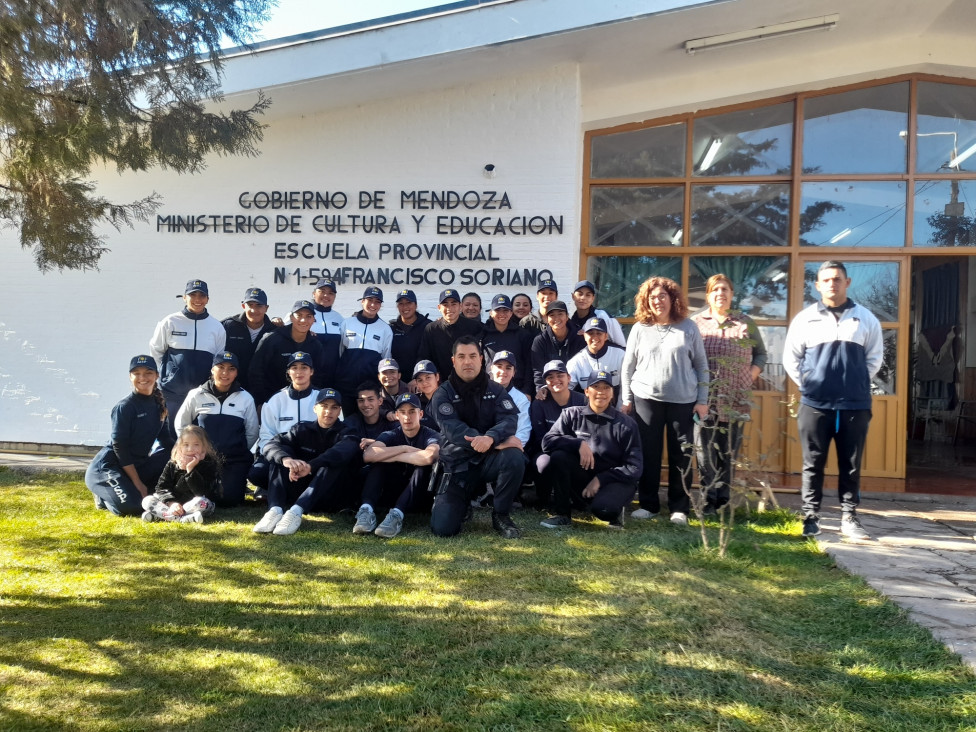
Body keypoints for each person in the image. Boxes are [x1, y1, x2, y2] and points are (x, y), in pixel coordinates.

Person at [784, 261, 882, 540]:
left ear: (847, 282)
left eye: (837, 279)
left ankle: (849, 517)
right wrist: (811, 383)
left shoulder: (865, 318)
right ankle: (811, 517)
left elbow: (874, 359)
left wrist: (855, 383)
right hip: (815, 404)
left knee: (851, 463)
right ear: (817, 285)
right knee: (812, 463)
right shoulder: (805, 318)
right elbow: (791, 358)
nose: (832, 284)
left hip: (855, 405)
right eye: (826, 280)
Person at [621, 277, 709, 526]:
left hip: (683, 401)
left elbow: (702, 366)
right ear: (646, 302)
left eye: (662, 296)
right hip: (646, 399)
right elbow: (628, 367)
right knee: (649, 454)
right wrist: (626, 399)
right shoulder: (640, 328)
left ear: (672, 299)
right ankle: (648, 504)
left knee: (681, 454)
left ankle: (679, 508)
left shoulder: (688, 327)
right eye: (652, 297)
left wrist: (702, 400)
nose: (657, 301)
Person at [429, 336, 524, 538]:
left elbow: (509, 419)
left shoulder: (496, 389)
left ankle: (501, 515)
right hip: (457, 466)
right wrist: (493, 442)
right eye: (461, 356)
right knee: (443, 529)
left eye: (473, 356)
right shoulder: (442, 394)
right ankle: (463, 506)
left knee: (514, 456)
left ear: (481, 359)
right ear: (453, 361)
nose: (467, 361)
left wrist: (491, 438)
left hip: (487, 462)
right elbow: (453, 430)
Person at [693, 274, 767, 515]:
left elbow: (761, 355)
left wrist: (750, 375)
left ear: (732, 295)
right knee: (705, 451)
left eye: (725, 289)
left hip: (735, 399)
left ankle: (723, 500)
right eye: (715, 289)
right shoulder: (696, 323)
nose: (720, 293)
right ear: (708, 295)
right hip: (705, 398)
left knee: (728, 451)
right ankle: (708, 500)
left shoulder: (746, 322)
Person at [540, 370, 643, 530]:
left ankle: (610, 510)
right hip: (583, 477)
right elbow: (547, 442)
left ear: (612, 393)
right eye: (596, 387)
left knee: (603, 510)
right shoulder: (571, 414)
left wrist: (601, 479)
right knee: (559, 456)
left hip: (614, 480)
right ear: (587, 392)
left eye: (606, 388)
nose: (601, 392)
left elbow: (634, 467)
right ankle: (562, 515)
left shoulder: (627, 424)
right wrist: (578, 444)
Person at [253, 388, 360, 536]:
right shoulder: (301, 429)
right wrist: (287, 460)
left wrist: (311, 466)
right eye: (324, 406)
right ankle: (275, 509)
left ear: (339, 411)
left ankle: (296, 512)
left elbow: (342, 451)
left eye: (334, 407)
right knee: (281, 454)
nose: (328, 411)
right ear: (315, 408)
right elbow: (271, 445)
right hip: (301, 486)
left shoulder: (349, 432)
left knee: (332, 461)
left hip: (331, 494)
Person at [85, 355, 173, 516]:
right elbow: (120, 448)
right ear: (130, 377)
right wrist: (138, 483)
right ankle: (102, 496)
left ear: (156, 375)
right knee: (133, 507)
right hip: (109, 467)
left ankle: (130, 487)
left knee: (172, 454)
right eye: (136, 373)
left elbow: (166, 440)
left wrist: (186, 455)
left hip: (138, 464)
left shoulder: (159, 403)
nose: (142, 378)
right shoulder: (125, 407)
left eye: (148, 372)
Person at [175, 351, 259, 506]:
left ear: (236, 373)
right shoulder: (196, 395)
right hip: (202, 459)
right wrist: (189, 449)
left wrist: (237, 449)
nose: (225, 373)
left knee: (229, 501)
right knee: (194, 496)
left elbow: (252, 431)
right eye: (220, 367)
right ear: (212, 370)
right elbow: (181, 424)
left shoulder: (245, 398)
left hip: (233, 460)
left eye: (231, 369)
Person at [353, 393, 441, 538]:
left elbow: (429, 457)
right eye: (403, 412)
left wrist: (392, 455)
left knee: (421, 467)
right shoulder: (390, 434)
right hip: (394, 490)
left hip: (419, 493)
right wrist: (404, 449)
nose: (407, 417)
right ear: (397, 415)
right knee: (379, 463)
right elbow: (369, 455)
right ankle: (366, 510)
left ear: (420, 414)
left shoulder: (431, 435)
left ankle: (396, 515)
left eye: (412, 412)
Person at [149, 278, 226, 439]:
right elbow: (156, 350)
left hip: (202, 393)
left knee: (199, 437)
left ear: (207, 299)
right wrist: (165, 376)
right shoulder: (170, 322)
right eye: (193, 295)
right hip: (172, 392)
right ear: (184, 297)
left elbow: (218, 361)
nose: (197, 300)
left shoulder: (216, 327)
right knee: (170, 435)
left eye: (201, 296)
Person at [248, 351, 319, 495]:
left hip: (313, 454)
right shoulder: (275, 400)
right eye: (294, 368)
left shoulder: (322, 398)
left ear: (311, 371)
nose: (299, 372)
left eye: (304, 367)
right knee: (257, 473)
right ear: (288, 372)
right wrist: (279, 456)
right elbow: (266, 436)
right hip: (282, 454)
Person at [527, 360, 586, 509]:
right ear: (545, 382)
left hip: (577, 451)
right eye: (550, 377)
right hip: (547, 450)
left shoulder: (582, 400)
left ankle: (578, 497)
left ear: (569, 377)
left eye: (560, 375)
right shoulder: (539, 403)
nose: (555, 380)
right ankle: (543, 499)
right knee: (544, 462)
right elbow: (541, 439)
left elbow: (587, 434)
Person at [249, 299, 327, 408]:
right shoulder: (272, 339)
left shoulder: (315, 344)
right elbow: (256, 371)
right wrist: (261, 402)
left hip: (305, 403)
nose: (303, 320)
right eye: (299, 315)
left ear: (314, 319)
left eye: (308, 316)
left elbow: (319, 376)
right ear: (291, 318)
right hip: (272, 402)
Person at [142, 425, 219, 524]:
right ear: (180, 447)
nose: (190, 449)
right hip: (173, 504)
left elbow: (201, 492)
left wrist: (190, 470)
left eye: (196, 444)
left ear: (203, 448)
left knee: (201, 502)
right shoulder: (172, 463)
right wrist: (172, 503)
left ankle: (164, 516)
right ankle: (184, 518)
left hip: (193, 505)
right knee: (147, 501)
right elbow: (162, 487)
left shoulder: (209, 464)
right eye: (186, 444)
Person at [336, 286, 393, 412]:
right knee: (349, 422)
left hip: (370, 387)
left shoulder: (385, 329)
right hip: (346, 386)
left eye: (377, 302)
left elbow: (385, 358)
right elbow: (340, 352)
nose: (373, 304)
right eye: (369, 300)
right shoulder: (347, 323)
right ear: (362, 301)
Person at [416, 288, 482, 379]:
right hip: (440, 383)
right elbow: (424, 356)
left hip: (468, 381)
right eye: (445, 305)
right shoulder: (431, 329)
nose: (449, 308)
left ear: (460, 306)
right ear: (439, 308)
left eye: (453, 304)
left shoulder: (473, 327)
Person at [222, 287, 278, 393]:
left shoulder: (275, 331)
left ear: (266, 308)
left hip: (264, 393)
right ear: (243, 306)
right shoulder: (228, 326)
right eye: (250, 305)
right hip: (231, 392)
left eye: (259, 305)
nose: (254, 310)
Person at [480, 294, 533, 396]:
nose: (502, 314)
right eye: (498, 310)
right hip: (489, 390)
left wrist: (527, 390)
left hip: (518, 390)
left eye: (505, 310)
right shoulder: (483, 335)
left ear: (511, 313)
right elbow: (480, 365)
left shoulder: (523, 335)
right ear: (491, 313)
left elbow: (529, 365)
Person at [566, 316, 626, 403]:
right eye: (590, 333)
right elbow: (566, 387)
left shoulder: (620, 355)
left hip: (617, 407)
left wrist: (621, 407)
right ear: (584, 336)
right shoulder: (575, 362)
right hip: (587, 409)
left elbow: (626, 384)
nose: (595, 337)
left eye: (599, 333)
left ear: (606, 336)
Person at [530, 300, 585, 393]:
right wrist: (542, 388)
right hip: (550, 388)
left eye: (560, 314)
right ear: (546, 319)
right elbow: (538, 370)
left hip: (576, 390)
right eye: (552, 315)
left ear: (567, 316)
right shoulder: (540, 340)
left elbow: (583, 367)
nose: (556, 318)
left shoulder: (579, 337)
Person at [389, 289, 431, 381]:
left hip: (422, 381)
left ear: (415, 305)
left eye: (408, 303)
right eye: (401, 304)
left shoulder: (428, 326)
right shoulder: (391, 328)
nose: (405, 307)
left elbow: (431, 355)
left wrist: (417, 378)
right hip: (397, 382)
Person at [569, 279, 626, 347]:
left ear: (593, 298)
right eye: (580, 294)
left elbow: (621, 346)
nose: (583, 298)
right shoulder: (571, 322)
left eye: (588, 295)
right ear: (573, 296)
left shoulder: (603, 316)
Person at [309, 278, 343, 388]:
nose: (326, 295)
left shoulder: (339, 319)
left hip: (332, 377)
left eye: (330, 293)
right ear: (314, 294)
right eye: (322, 291)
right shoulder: (302, 314)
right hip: (308, 376)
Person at [412, 359, 442, 432]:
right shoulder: (414, 402)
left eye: (428, 378)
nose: (424, 383)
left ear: (437, 377)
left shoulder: (450, 397)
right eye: (420, 380)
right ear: (416, 383)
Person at [377, 358, 408, 422]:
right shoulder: (376, 395)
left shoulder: (410, 391)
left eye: (392, 372)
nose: (388, 376)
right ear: (379, 377)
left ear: (399, 375)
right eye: (384, 372)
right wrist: (385, 413)